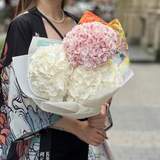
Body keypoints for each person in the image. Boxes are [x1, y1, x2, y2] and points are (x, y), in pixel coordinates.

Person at [0, 0, 111, 159]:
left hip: (82, 142)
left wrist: (101, 108)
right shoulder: (22, 26)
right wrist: (77, 128)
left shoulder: (81, 24)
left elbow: (98, 77)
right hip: (40, 144)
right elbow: (17, 98)